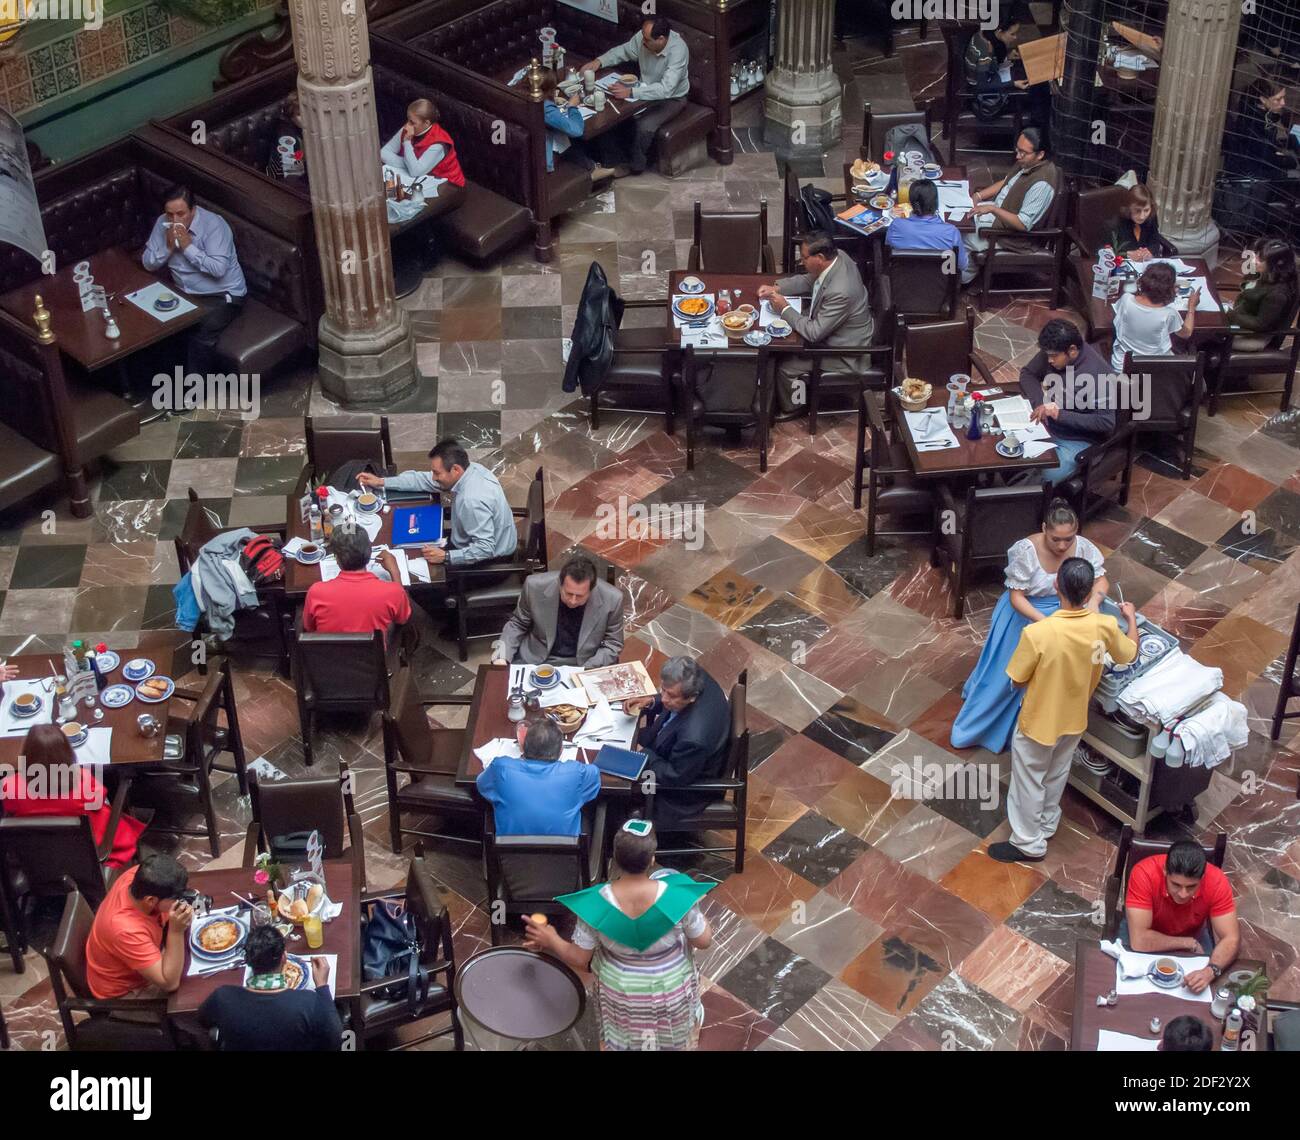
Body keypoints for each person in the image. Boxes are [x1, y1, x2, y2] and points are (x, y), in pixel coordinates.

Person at [989, 557, 1138, 863]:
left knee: (1028, 780)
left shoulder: (1039, 633)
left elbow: (1016, 680)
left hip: (1038, 722)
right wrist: (1131, 618)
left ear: (1057, 585)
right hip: (1074, 719)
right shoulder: (1105, 626)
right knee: (1057, 772)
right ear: (1089, 592)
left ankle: (1027, 843)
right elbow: (1129, 654)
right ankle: (1045, 823)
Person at [522, 819, 713, 1050]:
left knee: (623, 1036)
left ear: (616, 859)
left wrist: (551, 939)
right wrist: (699, 919)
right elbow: (703, 942)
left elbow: (580, 960)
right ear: (652, 859)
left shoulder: (595, 903)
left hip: (621, 996)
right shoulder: (679, 895)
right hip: (670, 992)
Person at [951, 500, 1108, 753]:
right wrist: (1047, 624)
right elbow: (1017, 597)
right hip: (1024, 615)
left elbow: (1101, 581)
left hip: (1061, 613)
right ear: (1045, 528)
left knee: (1044, 678)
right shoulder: (1026, 551)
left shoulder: (1084, 548)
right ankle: (974, 729)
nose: (1062, 546)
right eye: (1056, 538)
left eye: (1068, 539)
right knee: (1006, 677)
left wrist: (1095, 603)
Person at [0, 723, 147, 868]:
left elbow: (10, 808)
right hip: (84, 844)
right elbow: (98, 799)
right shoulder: (82, 780)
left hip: (41, 848)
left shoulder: (9, 786)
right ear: (66, 753)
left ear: (27, 755)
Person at [757, 232, 874, 414]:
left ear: (819, 258)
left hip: (845, 353)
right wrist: (777, 288)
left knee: (787, 367)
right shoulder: (837, 257)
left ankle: (796, 405)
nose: (801, 261)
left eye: (804, 257)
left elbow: (814, 333)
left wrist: (784, 308)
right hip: (836, 330)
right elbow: (810, 280)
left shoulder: (841, 292)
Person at [141, 185, 248, 378]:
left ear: (193, 210)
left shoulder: (214, 225)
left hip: (223, 295)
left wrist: (187, 247)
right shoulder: (162, 223)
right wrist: (167, 247)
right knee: (160, 329)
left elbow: (218, 269)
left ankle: (196, 392)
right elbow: (148, 263)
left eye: (180, 214)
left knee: (200, 334)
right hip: (185, 294)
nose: (175, 221)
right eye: (169, 215)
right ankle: (164, 384)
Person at [358, 439, 516, 570]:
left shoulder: (471, 501)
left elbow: (485, 549)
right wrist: (381, 482)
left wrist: (446, 556)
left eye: (437, 473)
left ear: (455, 469)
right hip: (471, 538)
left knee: (418, 570)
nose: (433, 478)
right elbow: (423, 480)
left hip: (490, 564)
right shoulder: (472, 469)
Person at [624, 656, 730, 829]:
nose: (664, 699)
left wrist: (642, 753)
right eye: (662, 690)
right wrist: (651, 701)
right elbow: (672, 693)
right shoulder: (695, 675)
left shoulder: (693, 738)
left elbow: (674, 776)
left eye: (670, 695)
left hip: (680, 794)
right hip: (670, 747)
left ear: (692, 698)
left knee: (616, 790)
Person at [1123, 840, 1240, 994]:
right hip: (1144, 932)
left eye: (1191, 887)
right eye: (1176, 885)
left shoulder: (1217, 881)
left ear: (1202, 877)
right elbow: (1139, 940)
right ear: (1165, 870)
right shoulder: (1143, 873)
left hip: (1194, 933)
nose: (1183, 894)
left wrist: (1210, 971)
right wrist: (1186, 943)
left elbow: (1231, 938)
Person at [197, 926, 342, 1050]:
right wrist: (322, 986)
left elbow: (201, 1022)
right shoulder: (309, 1002)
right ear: (284, 958)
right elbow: (335, 1040)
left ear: (247, 962)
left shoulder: (222, 997)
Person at [582, 16, 690, 180]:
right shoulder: (643, 38)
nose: (642, 42)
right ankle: (613, 162)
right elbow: (624, 51)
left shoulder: (678, 50)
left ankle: (636, 165)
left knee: (644, 126)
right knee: (611, 113)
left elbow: (666, 89)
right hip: (643, 90)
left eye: (646, 40)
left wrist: (631, 93)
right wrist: (599, 61)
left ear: (661, 39)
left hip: (672, 98)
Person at [1018, 318, 1118, 485]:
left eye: (1053, 356)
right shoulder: (1055, 351)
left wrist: (1059, 414)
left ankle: (1028, 504)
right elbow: (1028, 373)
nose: (1049, 360)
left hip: (1081, 440)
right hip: (1048, 426)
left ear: (1072, 350)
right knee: (1007, 446)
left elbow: (1106, 422)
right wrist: (1040, 403)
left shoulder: (1098, 376)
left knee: (1048, 476)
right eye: (1047, 355)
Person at [85, 853, 192, 999]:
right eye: (176, 898)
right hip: (125, 992)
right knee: (192, 990)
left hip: (144, 953)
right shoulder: (124, 929)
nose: (181, 900)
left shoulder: (138, 876)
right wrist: (176, 931)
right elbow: (170, 983)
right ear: (150, 900)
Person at [962, 128, 1058, 285]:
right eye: (1017, 150)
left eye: (1023, 153)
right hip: (998, 211)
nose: (1017, 156)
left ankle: (962, 280)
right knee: (958, 214)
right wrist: (978, 196)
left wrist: (993, 209)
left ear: (1040, 154)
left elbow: (1023, 223)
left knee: (961, 235)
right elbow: (1007, 181)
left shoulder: (1042, 184)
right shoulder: (1029, 164)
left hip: (1010, 236)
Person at [493, 556, 624, 668]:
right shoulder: (533, 586)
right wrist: (502, 656)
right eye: (568, 593)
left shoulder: (613, 598)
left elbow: (613, 643)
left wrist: (587, 669)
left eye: (579, 596)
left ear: (592, 590)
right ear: (560, 584)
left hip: (584, 662)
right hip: (537, 658)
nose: (572, 601)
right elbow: (518, 623)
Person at [476, 719, 601, 836]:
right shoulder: (575, 772)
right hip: (565, 857)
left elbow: (482, 785)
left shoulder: (500, 767)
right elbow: (595, 774)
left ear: (523, 746)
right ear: (561, 750)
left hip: (509, 857)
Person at [302, 523, 410, 636]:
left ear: (337, 559)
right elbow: (403, 619)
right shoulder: (393, 592)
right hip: (374, 653)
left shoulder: (316, 592)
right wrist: (395, 572)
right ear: (369, 555)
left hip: (329, 653)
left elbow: (309, 627)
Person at [1110, 261, 1198, 372]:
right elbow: (1186, 333)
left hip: (1121, 366)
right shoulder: (1169, 313)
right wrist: (1191, 307)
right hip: (1153, 369)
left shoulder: (1126, 300)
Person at [1221, 237, 1300, 350]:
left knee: (1207, 337)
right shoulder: (1266, 275)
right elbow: (1248, 285)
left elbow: (1260, 324)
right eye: (1256, 255)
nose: (1254, 261)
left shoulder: (1277, 294)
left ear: (1275, 265)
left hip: (1253, 336)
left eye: (1260, 259)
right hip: (1241, 320)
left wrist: (1230, 314)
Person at [380, 98, 467, 197]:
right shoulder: (408, 129)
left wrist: (407, 142)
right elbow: (383, 153)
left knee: (410, 209)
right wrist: (408, 165)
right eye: (408, 120)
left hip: (448, 185)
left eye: (412, 122)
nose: (407, 125)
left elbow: (415, 171)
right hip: (419, 178)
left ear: (427, 123)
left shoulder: (438, 144)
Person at [884, 178, 968, 275]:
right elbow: (962, 265)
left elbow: (888, 249)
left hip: (902, 286)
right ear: (936, 204)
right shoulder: (951, 232)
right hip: (940, 287)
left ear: (911, 203)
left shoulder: (896, 226)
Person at [1107, 183, 1176, 260]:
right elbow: (1107, 250)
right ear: (1128, 208)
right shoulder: (1116, 222)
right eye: (1137, 211)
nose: (1142, 216)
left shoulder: (1151, 217)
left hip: (1146, 263)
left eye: (1146, 210)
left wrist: (1149, 251)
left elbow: (1155, 240)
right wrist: (1127, 254)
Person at [538, 68, 587, 174]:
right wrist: (572, 107)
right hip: (542, 157)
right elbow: (577, 130)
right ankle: (593, 171)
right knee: (569, 141)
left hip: (529, 149)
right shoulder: (545, 108)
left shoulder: (521, 96)